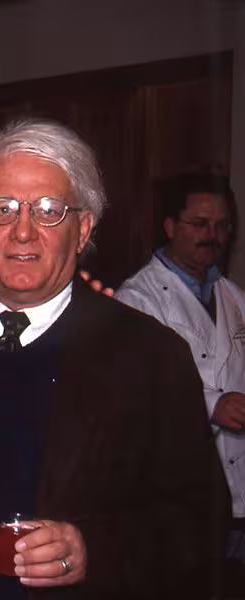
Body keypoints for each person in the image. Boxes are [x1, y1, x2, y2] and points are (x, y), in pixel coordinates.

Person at [0, 119, 225, 599]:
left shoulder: (150, 357)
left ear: (82, 230)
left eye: (48, 211)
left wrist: (93, 550)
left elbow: (200, 522)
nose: (23, 232)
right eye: (2, 209)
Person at [115, 174, 244, 561]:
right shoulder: (137, 299)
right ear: (171, 227)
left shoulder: (234, 297)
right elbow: (132, 390)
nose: (213, 235)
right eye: (200, 224)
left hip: (237, 492)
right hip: (178, 496)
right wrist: (212, 406)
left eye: (222, 226)